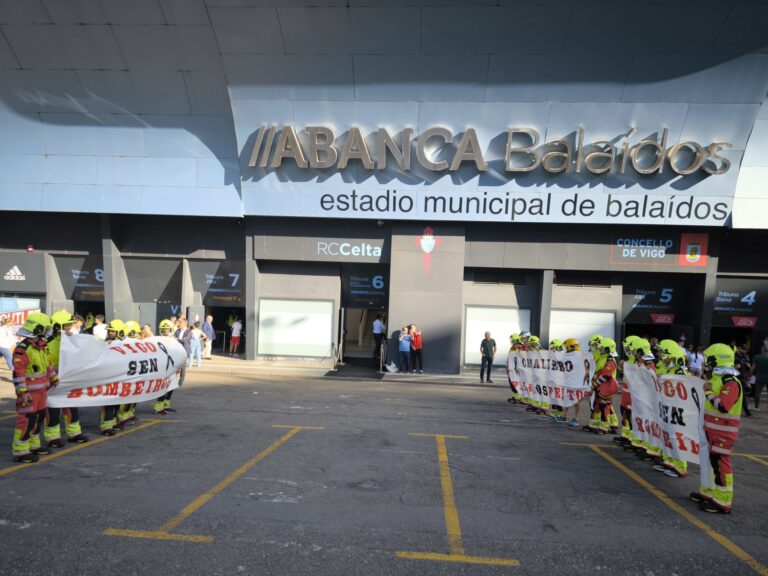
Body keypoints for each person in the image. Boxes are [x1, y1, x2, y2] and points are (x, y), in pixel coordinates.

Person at [690, 343, 744, 514]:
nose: (707, 362)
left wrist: (707, 393)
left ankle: (723, 501)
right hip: (713, 431)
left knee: (721, 465)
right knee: (712, 463)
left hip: (724, 432)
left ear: (718, 360)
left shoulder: (731, 382)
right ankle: (710, 493)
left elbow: (724, 406)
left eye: (710, 359)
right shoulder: (717, 378)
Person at [11, 313, 57, 463]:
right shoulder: (22, 349)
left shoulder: (42, 346)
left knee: (39, 417)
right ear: (38, 329)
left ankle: (34, 444)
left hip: (42, 392)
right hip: (29, 394)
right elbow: (19, 373)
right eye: (45, 328)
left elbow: (48, 364)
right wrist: (22, 392)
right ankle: (20, 450)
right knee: (27, 420)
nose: (47, 332)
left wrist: (54, 378)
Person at [43, 311, 89, 447]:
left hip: (69, 381)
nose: (71, 328)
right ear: (59, 327)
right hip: (53, 383)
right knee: (53, 410)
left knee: (72, 408)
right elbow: (46, 365)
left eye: (71, 325)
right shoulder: (48, 344)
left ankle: (74, 433)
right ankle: (53, 437)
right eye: (68, 325)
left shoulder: (73, 340)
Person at [653, 340, 689, 478]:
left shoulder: (680, 371)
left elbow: (683, 390)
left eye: (665, 354)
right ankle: (668, 462)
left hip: (677, 409)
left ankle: (680, 467)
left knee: (677, 438)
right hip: (666, 406)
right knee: (667, 436)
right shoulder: (668, 369)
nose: (662, 357)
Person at [99, 319, 125, 436]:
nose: (110, 333)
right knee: (108, 403)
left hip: (120, 377)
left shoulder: (124, 344)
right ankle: (106, 426)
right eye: (109, 331)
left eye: (113, 331)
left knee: (117, 402)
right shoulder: (104, 343)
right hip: (108, 378)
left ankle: (113, 422)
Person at [154, 319, 182, 415]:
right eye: (163, 329)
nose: (165, 331)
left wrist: (179, 366)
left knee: (171, 387)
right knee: (163, 387)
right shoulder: (157, 340)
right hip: (163, 368)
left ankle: (166, 404)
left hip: (172, 367)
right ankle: (159, 406)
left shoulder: (174, 340)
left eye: (167, 329)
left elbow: (178, 354)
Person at [748, 346, 768, 411]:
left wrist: (750, 374)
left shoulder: (757, 357)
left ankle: (756, 407)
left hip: (760, 377)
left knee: (758, 392)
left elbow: (753, 367)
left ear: (762, 350)